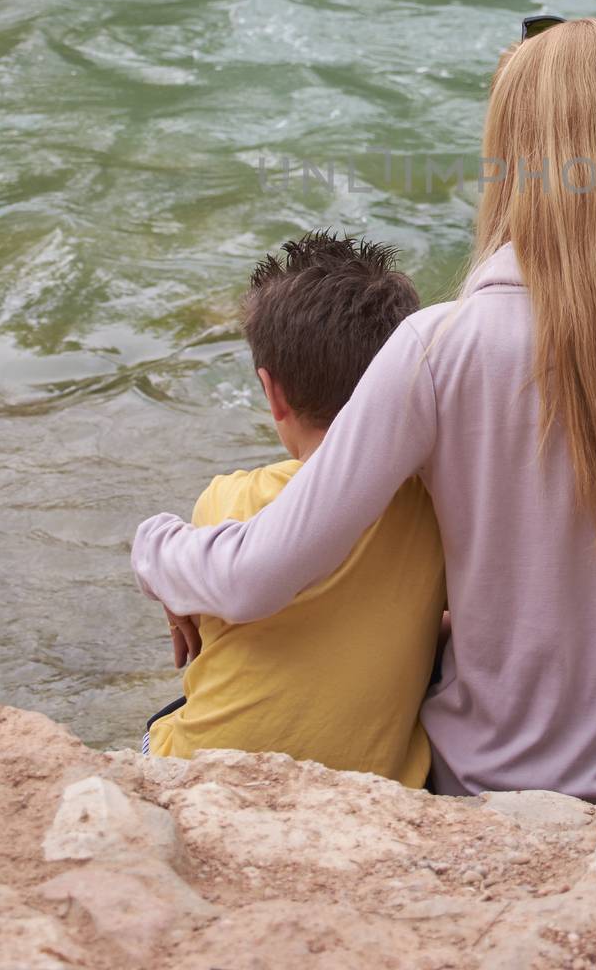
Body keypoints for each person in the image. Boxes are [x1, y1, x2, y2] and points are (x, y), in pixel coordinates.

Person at [134, 18, 596, 800]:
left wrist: (156, 548)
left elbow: (261, 575)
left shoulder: (440, 347)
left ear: (508, 157)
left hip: (497, 790)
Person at [142, 231, 445, 788]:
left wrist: (161, 562)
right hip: (380, 788)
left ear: (272, 392)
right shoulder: (431, 502)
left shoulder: (228, 499)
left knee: (165, 717)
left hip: (203, 773)